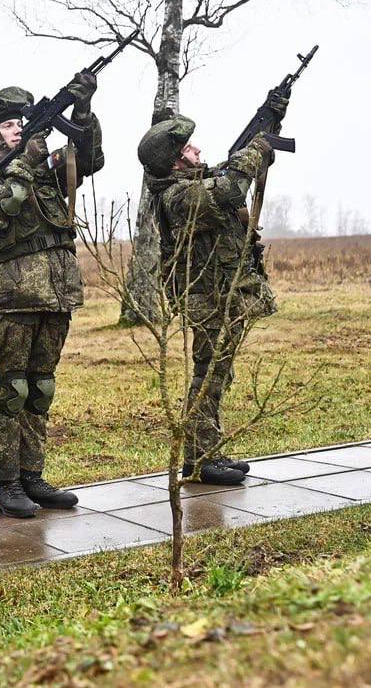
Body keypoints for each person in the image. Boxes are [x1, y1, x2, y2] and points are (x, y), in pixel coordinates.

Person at [0, 73, 104, 518]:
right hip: (12, 298)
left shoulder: (44, 166)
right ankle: (6, 484)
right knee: (11, 390)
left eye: (20, 122)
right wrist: (25, 163)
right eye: (8, 125)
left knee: (40, 388)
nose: (19, 129)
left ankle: (32, 475)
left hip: (56, 292)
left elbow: (91, 159)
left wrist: (82, 111)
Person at [136, 110, 281, 486]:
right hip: (207, 298)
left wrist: (266, 130)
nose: (197, 150)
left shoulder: (196, 180)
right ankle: (199, 460)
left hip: (221, 293)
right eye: (187, 147)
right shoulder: (177, 195)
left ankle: (208, 451)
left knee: (217, 374)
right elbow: (232, 187)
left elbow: (227, 174)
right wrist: (255, 151)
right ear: (175, 160)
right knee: (208, 375)